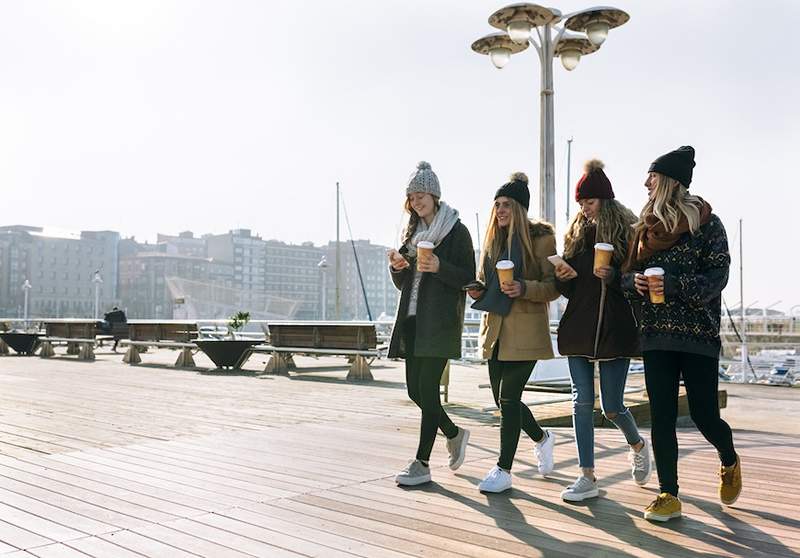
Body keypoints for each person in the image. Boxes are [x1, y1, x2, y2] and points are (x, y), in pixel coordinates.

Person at [621, 146, 741, 522]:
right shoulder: (644, 229)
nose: (645, 183)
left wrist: (673, 285)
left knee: (705, 416)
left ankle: (729, 456)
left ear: (669, 182)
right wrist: (634, 283)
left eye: (652, 177)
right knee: (661, 417)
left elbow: (717, 278)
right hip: (656, 335)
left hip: (698, 337)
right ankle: (668, 494)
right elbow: (626, 276)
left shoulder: (709, 224)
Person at [553, 160, 652, 502]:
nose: (584, 208)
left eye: (589, 201)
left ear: (604, 200)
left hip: (615, 328)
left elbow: (635, 282)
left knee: (611, 406)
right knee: (581, 402)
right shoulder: (576, 235)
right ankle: (587, 476)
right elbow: (572, 290)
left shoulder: (628, 231)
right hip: (579, 327)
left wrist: (614, 278)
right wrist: (561, 278)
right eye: (580, 202)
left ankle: (638, 444)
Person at [468, 172, 560, 493]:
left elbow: (553, 287)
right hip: (495, 331)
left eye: (506, 204)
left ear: (519, 207)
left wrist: (523, 287)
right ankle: (542, 437)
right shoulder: (492, 241)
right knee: (502, 400)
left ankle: (503, 470)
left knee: (509, 399)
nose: (500, 210)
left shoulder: (541, 239)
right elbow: (484, 281)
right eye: (496, 204)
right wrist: (477, 290)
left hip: (526, 332)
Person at [387, 161, 476, 486]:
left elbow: (468, 278)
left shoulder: (457, 231)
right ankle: (454, 433)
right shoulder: (411, 234)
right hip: (412, 322)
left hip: (439, 323)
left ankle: (422, 463)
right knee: (415, 391)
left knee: (428, 390)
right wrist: (398, 267)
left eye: (421, 193)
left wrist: (440, 266)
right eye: (411, 196)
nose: (416, 200)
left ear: (435, 195)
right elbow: (404, 285)